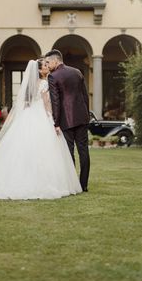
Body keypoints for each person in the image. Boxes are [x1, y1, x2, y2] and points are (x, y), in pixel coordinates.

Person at [0, 59, 82, 200]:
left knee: (23, 149)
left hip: (28, 115)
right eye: (44, 65)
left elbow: (26, 104)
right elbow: (46, 104)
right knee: (44, 148)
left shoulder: (28, 86)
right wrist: (54, 120)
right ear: (38, 70)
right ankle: (42, 181)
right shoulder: (44, 83)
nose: (47, 67)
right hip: (41, 116)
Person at [44, 49, 91, 192]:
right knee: (84, 151)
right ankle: (83, 185)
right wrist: (86, 114)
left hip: (66, 120)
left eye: (48, 62)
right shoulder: (77, 72)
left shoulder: (53, 76)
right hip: (82, 117)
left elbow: (55, 101)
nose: (47, 64)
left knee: (69, 152)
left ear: (56, 60)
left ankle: (72, 185)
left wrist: (56, 122)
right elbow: (85, 96)